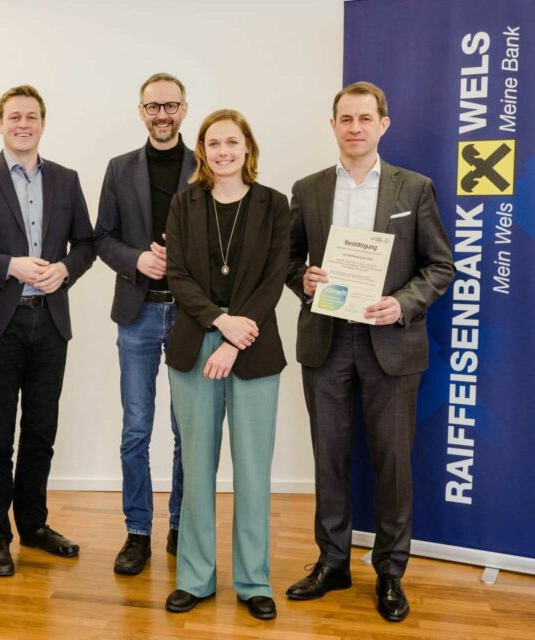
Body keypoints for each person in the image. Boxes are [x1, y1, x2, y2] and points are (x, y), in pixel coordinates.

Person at [285, 81, 454, 622]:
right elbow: (287, 262)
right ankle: (332, 563)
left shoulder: (415, 188)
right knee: (329, 461)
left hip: (391, 343)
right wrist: (303, 279)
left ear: (383, 123)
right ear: (332, 125)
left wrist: (402, 303)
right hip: (328, 340)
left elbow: (439, 267)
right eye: (345, 119)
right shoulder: (308, 189)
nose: (354, 127)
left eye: (364, 118)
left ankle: (389, 573)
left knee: (393, 464)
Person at [0, 85, 96, 577]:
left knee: (41, 433)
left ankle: (33, 525)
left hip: (51, 321)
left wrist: (66, 270)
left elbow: (88, 243)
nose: (23, 123)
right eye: (14, 116)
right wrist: (9, 265)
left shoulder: (66, 179)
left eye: (31, 116)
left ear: (42, 123)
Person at [163, 110, 290, 620]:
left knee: (253, 472)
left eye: (231, 142)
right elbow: (178, 274)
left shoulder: (274, 204)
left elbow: (274, 275)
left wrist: (236, 337)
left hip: (254, 353)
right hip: (193, 350)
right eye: (213, 143)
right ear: (202, 150)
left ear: (247, 148)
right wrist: (219, 322)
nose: (222, 151)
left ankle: (253, 580)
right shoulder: (183, 203)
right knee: (196, 469)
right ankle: (195, 578)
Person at [94, 72, 194, 575]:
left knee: (185, 429)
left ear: (184, 109)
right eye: (153, 107)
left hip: (191, 317)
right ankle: (138, 531)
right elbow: (102, 238)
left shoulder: (206, 165)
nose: (162, 115)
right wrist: (138, 260)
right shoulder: (118, 168)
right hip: (137, 312)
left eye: (171, 106)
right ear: (141, 111)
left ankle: (180, 524)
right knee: (136, 429)